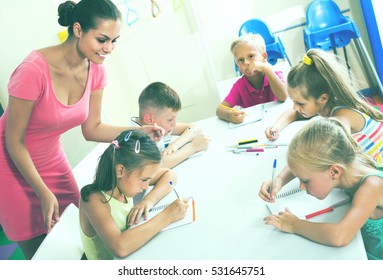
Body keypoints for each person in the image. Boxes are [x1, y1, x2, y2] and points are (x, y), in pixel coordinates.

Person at [0, 0, 163, 260]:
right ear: (78, 29)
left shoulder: (96, 68)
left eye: (114, 41)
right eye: (102, 40)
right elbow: (14, 140)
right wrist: (42, 191)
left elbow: (93, 128)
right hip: (11, 164)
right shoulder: (33, 71)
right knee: (42, 256)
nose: (109, 49)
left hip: (52, 160)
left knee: (80, 238)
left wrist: (139, 130)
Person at [260, 49, 383, 203]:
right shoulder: (326, 105)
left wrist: (280, 179)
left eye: (300, 103)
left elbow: (310, 155)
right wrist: (277, 126)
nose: (295, 107)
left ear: (323, 98)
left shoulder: (340, 118)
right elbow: (293, 114)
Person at [263, 117, 383, 260]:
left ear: (334, 172)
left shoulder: (372, 186)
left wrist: (295, 224)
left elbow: (340, 236)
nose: (301, 187)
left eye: (305, 181)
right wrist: (279, 180)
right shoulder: (344, 163)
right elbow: (304, 162)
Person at [79, 129, 189, 259]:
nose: (146, 186)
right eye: (144, 180)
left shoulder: (123, 185)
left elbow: (170, 176)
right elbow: (120, 247)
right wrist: (167, 216)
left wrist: (149, 200)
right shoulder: (93, 199)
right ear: (120, 171)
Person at [131, 81, 210, 168]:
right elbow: (157, 167)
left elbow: (194, 128)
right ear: (149, 119)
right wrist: (193, 147)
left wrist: (175, 145)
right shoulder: (136, 139)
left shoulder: (156, 124)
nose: (174, 124)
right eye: (170, 120)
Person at [216, 33, 288, 124]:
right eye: (241, 60)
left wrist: (266, 68)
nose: (246, 62)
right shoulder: (239, 86)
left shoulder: (275, 75)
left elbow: (283, 97)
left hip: (277, 122)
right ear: (237, 66)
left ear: (264, 57)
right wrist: (230, 115)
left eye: (250, 56)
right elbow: (219, 110)